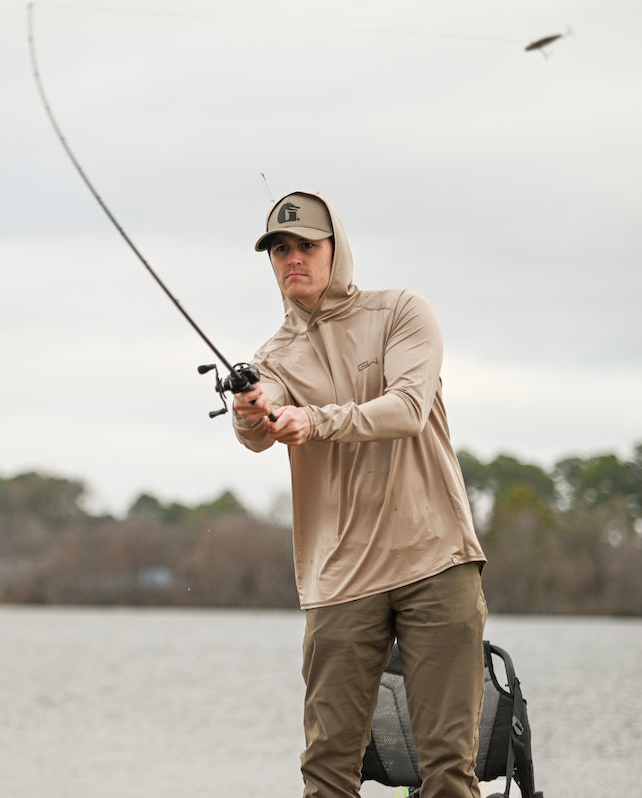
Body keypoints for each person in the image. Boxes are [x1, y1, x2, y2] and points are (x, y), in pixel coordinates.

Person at [232, 191, 488, 798]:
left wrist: (315, 420)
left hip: (436, 558)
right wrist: (250, 409)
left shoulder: (402, 312)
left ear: (336, 248)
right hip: (339, 579)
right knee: (326, 771)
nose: (293, 258)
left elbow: (408, 408)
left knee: (449, 770)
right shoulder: (271, 359)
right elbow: (255, 433)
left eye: (306, 245)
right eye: (280, 250)